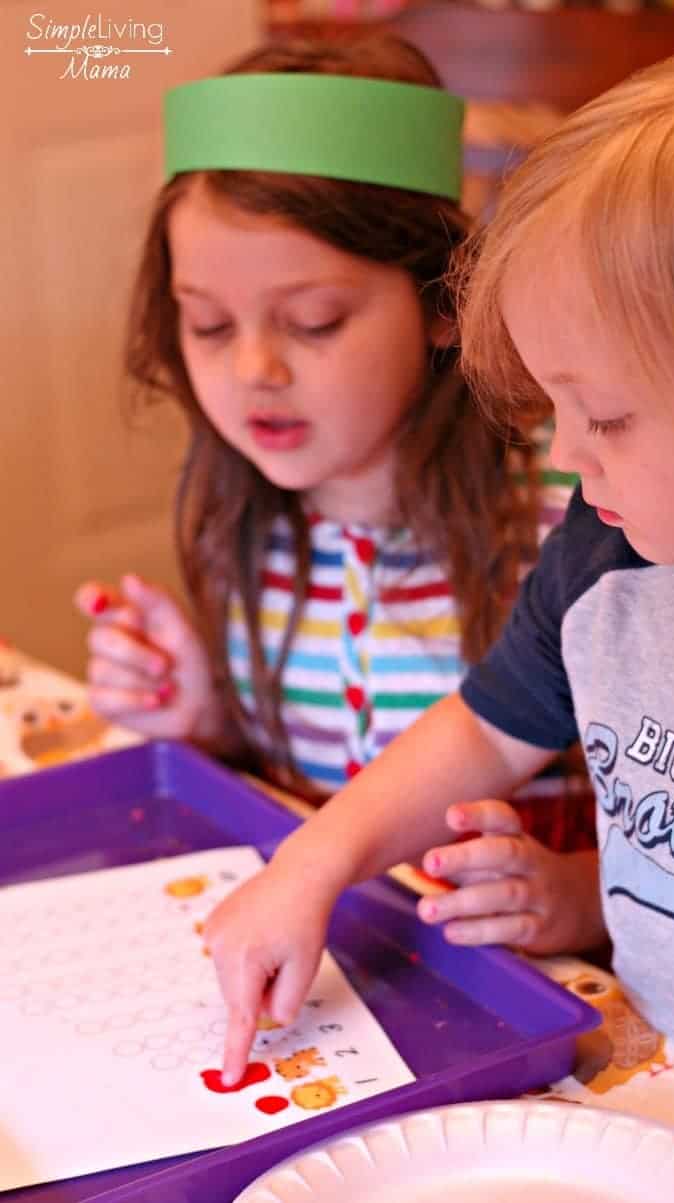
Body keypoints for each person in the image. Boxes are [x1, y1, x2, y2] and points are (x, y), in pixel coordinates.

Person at [204, 35, 674, 1088]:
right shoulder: (603, 555)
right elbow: (482, 729)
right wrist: (313, 863)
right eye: (555, 408)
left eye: (606, 416)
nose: (563, 456)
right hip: (662, 1066)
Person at [74, 39, 592, 842]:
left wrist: (567, 889)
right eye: (208, 325)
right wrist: (207, 720)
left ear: (443, 298)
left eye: (313, 321)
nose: (253, 369)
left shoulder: (577, 502)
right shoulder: (236, 515)